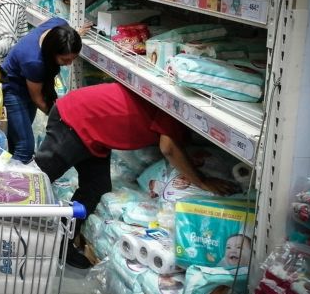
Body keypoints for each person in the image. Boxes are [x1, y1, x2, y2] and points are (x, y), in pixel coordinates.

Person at [34, 82, 240, 268]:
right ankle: (12, 231)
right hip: (74, 120)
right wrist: (202, 182)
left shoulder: (177, 106)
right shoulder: (176, 107)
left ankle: (61, 242)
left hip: (93, 132)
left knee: (97, 187)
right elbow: (168, 147)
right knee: (36, 182)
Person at [0, 18, 83, 164]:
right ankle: (13, 183)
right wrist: (62, 120)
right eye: (65, 60)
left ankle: (11, 165)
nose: (69, 64)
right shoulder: (34, 62)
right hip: (13, 89)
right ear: (52, 52)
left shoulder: (59, 25)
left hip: (28, 83)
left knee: (18, 138)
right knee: (25, 147)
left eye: (73, 58)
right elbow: (38, 99)